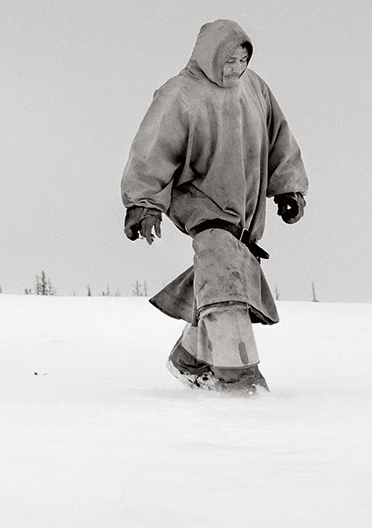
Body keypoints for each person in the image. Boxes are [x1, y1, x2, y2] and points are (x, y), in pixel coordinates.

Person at [121, 19, 308, 394]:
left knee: (224, 280)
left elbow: (279, 137)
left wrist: (288, 187)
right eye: (228, 60)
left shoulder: (254, 88)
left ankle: (190, 358)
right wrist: (144, 203)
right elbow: (152, 151)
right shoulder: (179, 95)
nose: (236, 68)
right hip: (202, 207)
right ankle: (240, 381)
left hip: (244, 213)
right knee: (226, 287)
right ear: (209, 56)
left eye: (242, 60)